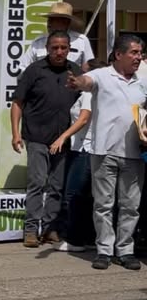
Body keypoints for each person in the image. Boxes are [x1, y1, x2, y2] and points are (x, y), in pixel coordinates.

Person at [67, 34, 147, 271]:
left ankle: (125, 250)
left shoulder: (143, 81)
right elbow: (85, 81)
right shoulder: (102, 75)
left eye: (140, 53)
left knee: (130, 206)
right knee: (103, 204)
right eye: (134, 53)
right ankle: (104, 250)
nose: (138, 57)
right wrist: (76, 82)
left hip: (134, 153)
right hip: (104, 151)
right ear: (118, 54)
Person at [10, 31, 81, 248]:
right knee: (37, 183)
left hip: (63, 140)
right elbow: (17, 103)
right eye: (55, 48)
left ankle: (50, 229)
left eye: (64, 48)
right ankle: (31, 230)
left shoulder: (75, 72)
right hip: (37, 136)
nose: (59, 52)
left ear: (69, 49)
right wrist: (15, 133)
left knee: (56, 187)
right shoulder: (34, 70)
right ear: (47, 48)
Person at [51, 59, 106, 253]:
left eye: (83, 73)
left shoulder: (89, 95)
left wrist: (63, 136)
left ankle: (74, 239)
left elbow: (83, 119)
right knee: (88, 196)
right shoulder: (90, 94)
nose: (79, 76)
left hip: (85, 149)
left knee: (74, 195)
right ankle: (89, 237)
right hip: (83, 148)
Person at [19, 2, 94, 72]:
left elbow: (89, 69)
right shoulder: (39, 41)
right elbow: (23, 67)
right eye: (48, 20)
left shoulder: (81, 41)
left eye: (53, 20)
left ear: (66, 22)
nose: (49, 23)